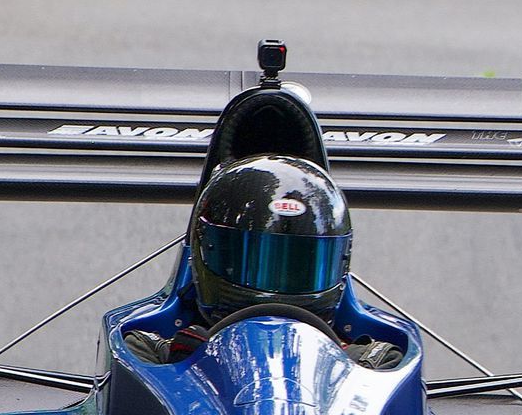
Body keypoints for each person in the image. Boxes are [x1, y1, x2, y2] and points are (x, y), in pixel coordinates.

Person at [123, 156, 404, 366]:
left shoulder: (373, 363)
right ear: (205, 252)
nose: (277, 287)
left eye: (298, 267)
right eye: (258, 262)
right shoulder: (150, 352)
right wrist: (184, 365)